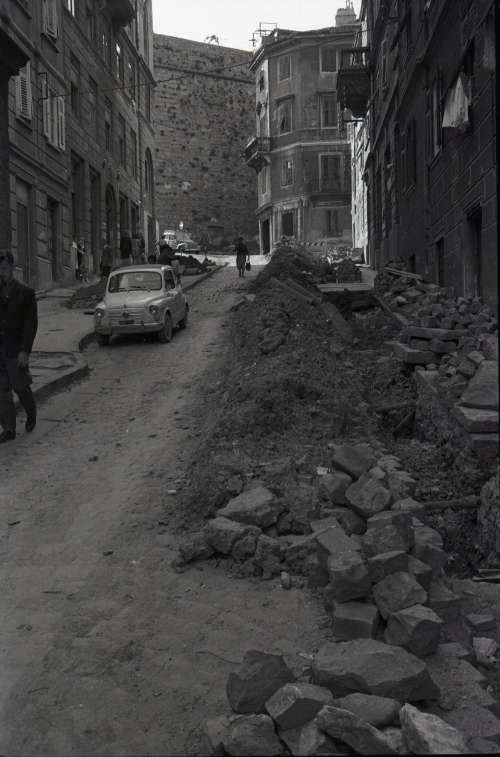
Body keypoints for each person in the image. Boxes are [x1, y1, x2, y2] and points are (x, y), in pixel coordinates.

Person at [0, 251, 38, 443]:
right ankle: (8, 429)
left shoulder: (25, 293)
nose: (1, 273)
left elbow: (30, 325)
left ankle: (31, 410)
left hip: (15, 349)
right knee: (2, 391)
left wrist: (25, 351)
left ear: (12, 268)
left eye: (4, 268)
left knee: (20, 387)